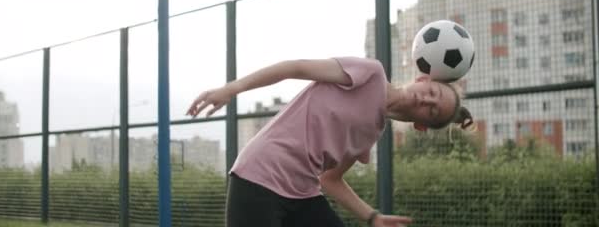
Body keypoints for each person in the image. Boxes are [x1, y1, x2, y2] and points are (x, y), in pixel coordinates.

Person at [186, 57, 473, 227]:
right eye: (432, 92)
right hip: (259, 177)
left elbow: (330, 179)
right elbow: (295, 68)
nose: (426, 100)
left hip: (300, 193)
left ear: (420, 125)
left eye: (432, 110)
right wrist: (232, 88)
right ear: (423, 79)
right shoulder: (370, 73)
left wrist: (372, 217)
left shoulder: (371, 133)